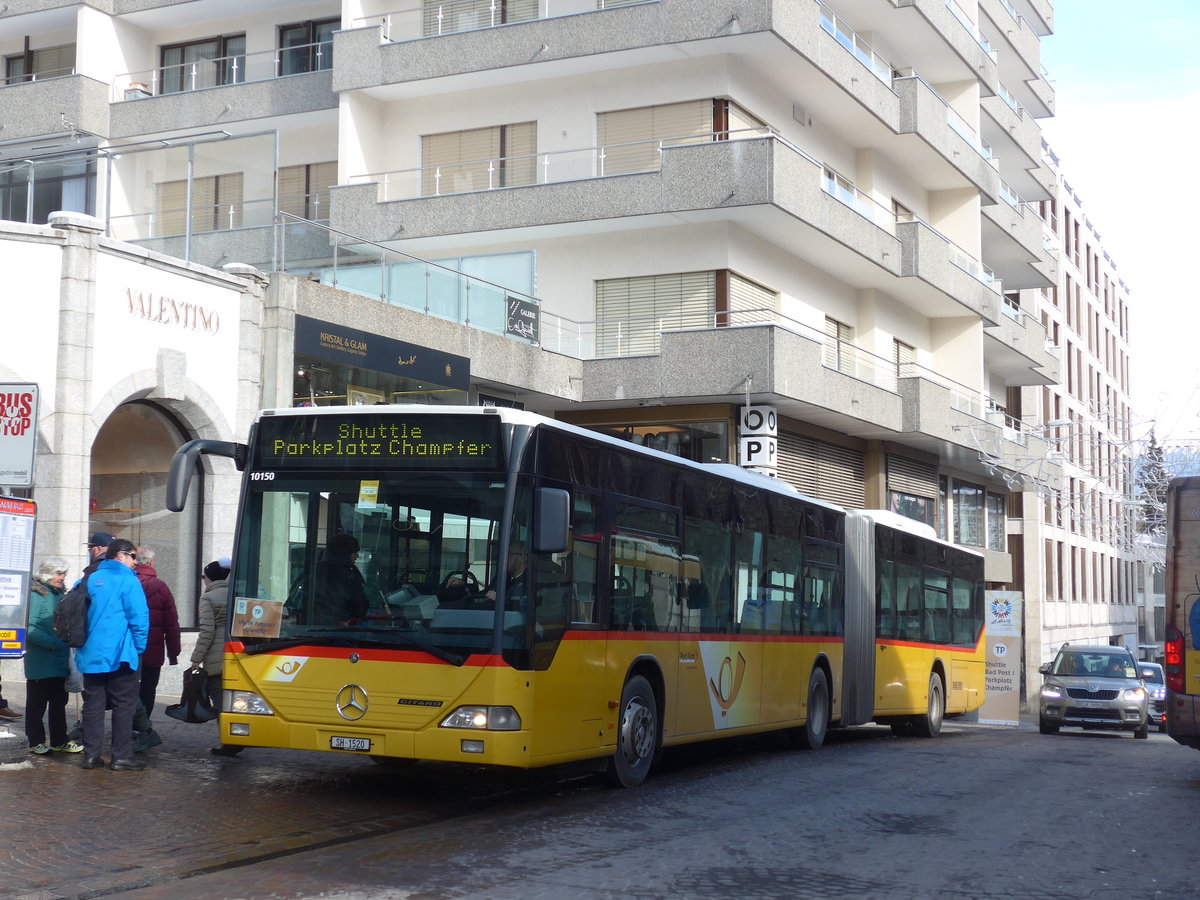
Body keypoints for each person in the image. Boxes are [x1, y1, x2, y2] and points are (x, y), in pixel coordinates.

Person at [75, 538, 150, 771]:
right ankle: (121, 757)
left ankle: (91, 756)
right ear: (120, 555)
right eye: (132, 556)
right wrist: (139, 648)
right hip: (121, 654)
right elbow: (139, 618)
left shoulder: (87, 579)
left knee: (93, 705)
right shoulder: (128, 581)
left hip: (90, 653)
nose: (135, 562)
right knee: (123, 706)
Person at [23, 557, 82, 754]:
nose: (62, 577)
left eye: (64, 573)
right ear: (48, 574)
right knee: (37, 704)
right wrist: (51, 644)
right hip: (41, 660)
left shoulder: (59, 594)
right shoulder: (37, 595)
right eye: (59, 573)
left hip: (59, 659)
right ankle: (35, 741)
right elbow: (28, 627)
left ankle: (59, 739)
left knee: (59, 702)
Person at [194, 558, 241, 758]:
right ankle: (239, 736)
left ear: (209, 578)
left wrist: (196, 657)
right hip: (237, 653)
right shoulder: (235, 593)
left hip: (216, 656)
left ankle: (229, 742)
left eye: (204, 577)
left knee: (220, 701)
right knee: (235, 700)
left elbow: (207, 632)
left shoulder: (208, 598)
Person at [133, 545, 181, 720]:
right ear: (152, 562)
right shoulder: (160, 587)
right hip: (153, 650)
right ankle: (143, 725)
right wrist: (174, 653)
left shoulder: (127, 584)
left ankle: (126, 726)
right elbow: (171, 624)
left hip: (128, 649)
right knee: (148, 688)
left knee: (127, 689)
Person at [313, 534, 368, 625]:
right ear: (346, 555)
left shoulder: (315, 571)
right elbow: (359, 606)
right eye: (354, 553)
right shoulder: (349, 576)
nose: (357, 556)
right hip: (339, 630)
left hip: (310, 630)